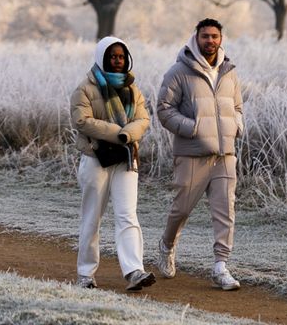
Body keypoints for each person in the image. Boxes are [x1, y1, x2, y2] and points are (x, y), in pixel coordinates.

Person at [155, 17, 244, 290]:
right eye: (205, 36)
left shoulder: (229, 71)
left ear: (221, 39)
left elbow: (238, 107)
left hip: (225, 155)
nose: (211, 41)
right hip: (192, 154)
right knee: (181, 209)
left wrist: (236, 127)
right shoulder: (178, 72)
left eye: (215, 36)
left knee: (225, 211)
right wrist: (192, 128)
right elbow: (164, 109)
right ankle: (167, 246)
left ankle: (220, 266)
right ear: (196, 38)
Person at [70, 36, 155, 291]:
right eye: (112, 56)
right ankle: (85, 275)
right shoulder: (85, 88)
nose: (117, 61)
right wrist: (118, 132)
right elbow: (81, 121)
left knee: (127, 215)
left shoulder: (133, 89)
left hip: (126, 159)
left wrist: (126, 136)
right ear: (102, 57)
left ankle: (134, 271)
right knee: (92, 217)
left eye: (121, 56)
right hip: (96, 159)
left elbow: (143, 119)